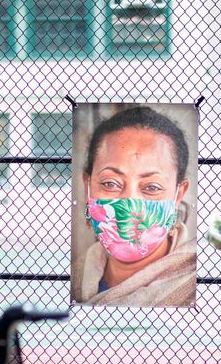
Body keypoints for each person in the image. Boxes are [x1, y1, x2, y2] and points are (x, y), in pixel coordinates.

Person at [72, 106, 196, 307]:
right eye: (110, 183)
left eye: (151, 187)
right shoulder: (73, 276)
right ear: (88, 186)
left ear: (178, 194)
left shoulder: (195, 285)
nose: (128, 205)